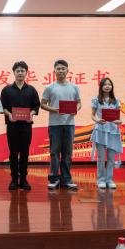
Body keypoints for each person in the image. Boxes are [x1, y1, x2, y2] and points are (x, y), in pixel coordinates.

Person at [41, 59, 81, 190]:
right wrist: (55, 110)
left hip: (69, 124)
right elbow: (42, 104)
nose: (61, 71)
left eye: (63, 68)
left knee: (67, 153)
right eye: (58, 69)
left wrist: (76, 109)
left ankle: (66, 180)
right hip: (55, 124)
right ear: (54, 71)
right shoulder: (50, 87)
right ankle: (54, 179)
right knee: (54, 153)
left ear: (67, 70)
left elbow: (79, 103)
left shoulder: (74, 87)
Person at [0, 61, 40, 190]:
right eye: (18, 71)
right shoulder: (6, 90)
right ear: (14, 72)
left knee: (24, 153)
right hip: (12, 126)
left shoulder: (31, 90)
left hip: (26, 126)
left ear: (26, 73)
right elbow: (2, 107)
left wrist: (31, 114)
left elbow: (36, 106)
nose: (20, 73)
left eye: (23, 71)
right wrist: (9, 114)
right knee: (13, 153)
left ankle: (23, 179)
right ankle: (13, 179)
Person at [90, 77, 123, 189]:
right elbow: (93, 115)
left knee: (111, 158)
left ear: (112, 87)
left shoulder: (116, 101)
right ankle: (101, 180)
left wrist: (119, 121)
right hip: (100, 130)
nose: (107, 86)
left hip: (113, 131)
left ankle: (110, 179)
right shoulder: (96, 100)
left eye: (109, 84)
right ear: (101, 87)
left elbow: (118, 117)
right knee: (101, 157)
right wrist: (97, 120)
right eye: (105, 84)